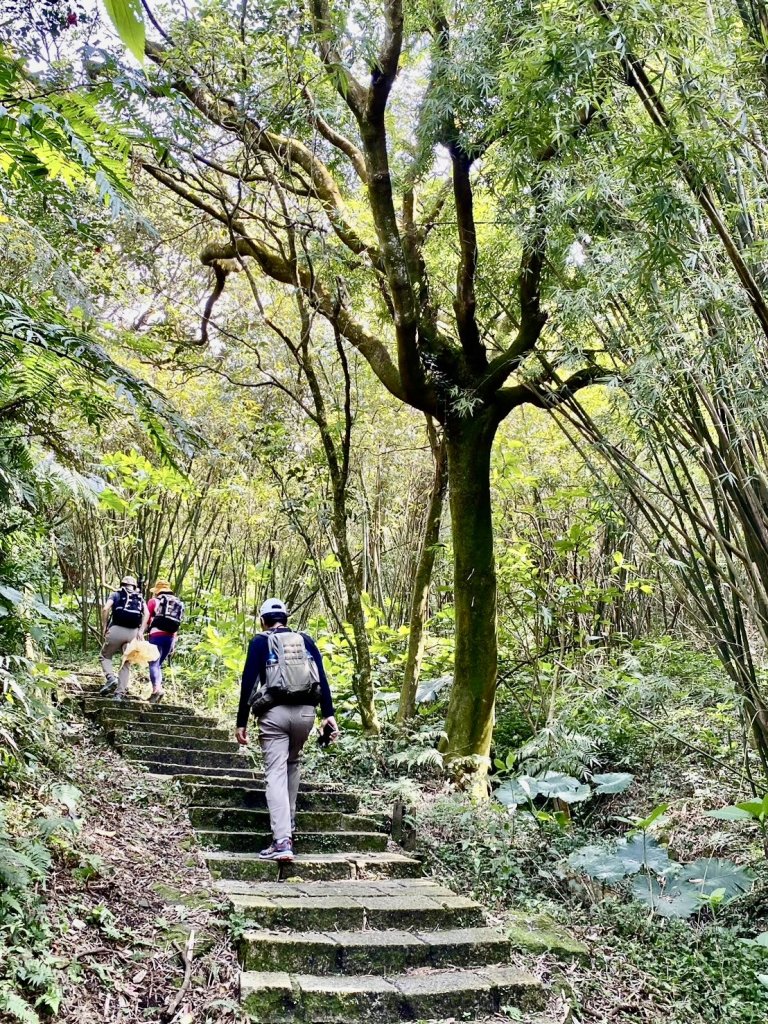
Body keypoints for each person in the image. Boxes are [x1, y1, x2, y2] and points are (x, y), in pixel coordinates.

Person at [235, 598, 338, 862]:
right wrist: (328, 714)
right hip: (306, 714)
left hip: (274, 715)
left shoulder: (260, 642)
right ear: (286, 619)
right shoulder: (305, 640)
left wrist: (241, 722)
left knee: (276, 772)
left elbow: (249, 682)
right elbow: (321, 678)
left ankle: (282, 841)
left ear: (263, 621)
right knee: (293, 763)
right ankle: (288, 825)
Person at [99, 576, 148, 700]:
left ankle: (111, 678)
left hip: (116, 630)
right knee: (126, 662)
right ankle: (119, 694)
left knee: (105, 656)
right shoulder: (139, 597)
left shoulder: (116, 594)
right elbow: (147, 613)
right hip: (133, 634)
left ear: (122, 584)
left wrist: (104, 626)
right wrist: (141, 631)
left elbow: (105, 608)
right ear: (134, 586)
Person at [145, 579, 184, 705]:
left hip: (156, 635)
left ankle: (157, 689)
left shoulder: (153, 601)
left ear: (157, 591)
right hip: (170, 637)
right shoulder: (177, 603)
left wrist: (140, 632)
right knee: (158, 665)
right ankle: (158, 689)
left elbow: (146, 619)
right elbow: (177, 623)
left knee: (153, 663)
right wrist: (174, 643)